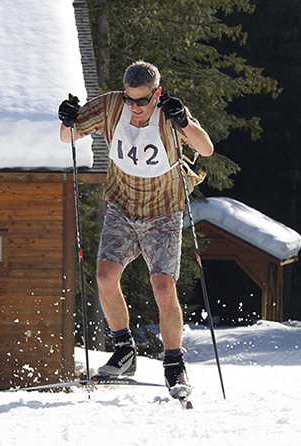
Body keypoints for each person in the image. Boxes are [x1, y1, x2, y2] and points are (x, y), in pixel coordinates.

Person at [58, 61, 214, 399]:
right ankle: (124, 351)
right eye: (131, 100)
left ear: (156, 94)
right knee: (104, 277)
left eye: (143, 101)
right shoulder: (112, 105)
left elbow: (205, 148)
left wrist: (184, 121)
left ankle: (174, 364)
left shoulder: (171, 112)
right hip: (122, 206)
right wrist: (67, 117)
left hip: (163, 211)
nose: (136, 108)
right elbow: (67, 136)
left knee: (161, 289)